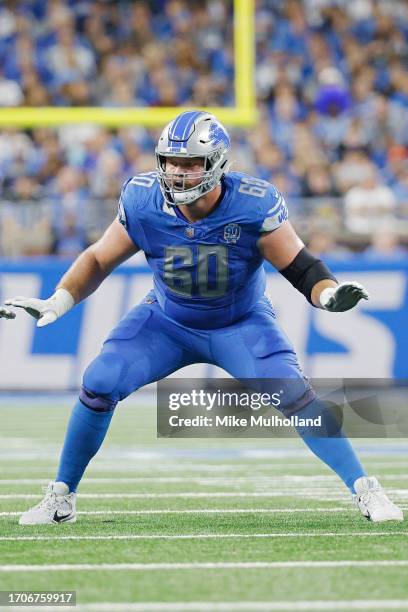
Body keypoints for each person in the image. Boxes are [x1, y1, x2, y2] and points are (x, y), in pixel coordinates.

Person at [1, 111, 402, 524]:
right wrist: (59, 301)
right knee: (100, 380)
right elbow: (99, 257)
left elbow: (301, 267)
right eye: (172, 161)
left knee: (294, 393)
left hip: (240, 324)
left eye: (191, 163)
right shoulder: (142, 199)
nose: (178, 172)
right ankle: (61, 497)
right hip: (167, 323)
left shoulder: (251, 203)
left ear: (217, 165)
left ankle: (365, 488)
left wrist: (329, 294)